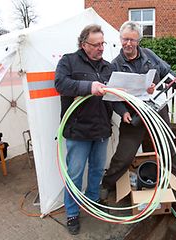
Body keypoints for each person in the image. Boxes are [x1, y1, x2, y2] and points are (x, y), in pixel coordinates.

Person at [102, 21, 176, 193]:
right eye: (125, 39)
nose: (128, 44)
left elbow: (167, 71)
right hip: (133, 114)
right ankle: (107, 185)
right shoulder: (114, 65)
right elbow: (111, 96)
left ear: (138, 41)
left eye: (132, 40)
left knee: (167, 146)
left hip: (156, 108)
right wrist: (122, 112)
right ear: (120, 39)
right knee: (125, 154)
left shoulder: (149, 55)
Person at [54, 24, 113, 235]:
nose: (101, 48)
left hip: (102, 129)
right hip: (78, 130)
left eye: (102, 44)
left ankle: (93, 201)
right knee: (75, 174)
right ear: (84, 45)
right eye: (96, 44)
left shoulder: (107, 67)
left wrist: (124, 109)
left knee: (97, 170)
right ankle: (72, 213)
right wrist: (89, 87)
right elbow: (60, 84)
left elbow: (113, 95)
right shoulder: (68, 61)